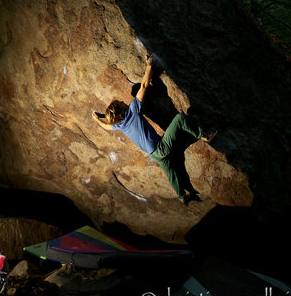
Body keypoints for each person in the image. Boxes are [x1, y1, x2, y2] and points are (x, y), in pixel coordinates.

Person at [92, 55, 217, 205]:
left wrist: (97, 119)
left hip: (154, 155)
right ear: (120, 113)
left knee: (172, 171)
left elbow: (105, 126)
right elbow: (144, 86)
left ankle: (182, 196)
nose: (124, 102)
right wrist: (149, 65)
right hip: (160, 148)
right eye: (121, 103)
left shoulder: (119, 125)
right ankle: (204, 135)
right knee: (180, 119)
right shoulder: (132, 111)